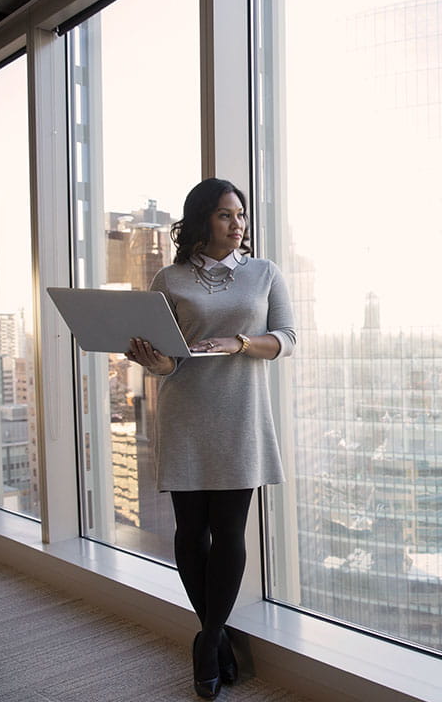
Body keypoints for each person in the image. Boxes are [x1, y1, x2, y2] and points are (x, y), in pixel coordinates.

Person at [125, 177, 295, 699]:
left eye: (241, 215)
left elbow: (286, 339)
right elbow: (168, 358)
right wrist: (154, 362)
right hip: (184, 415)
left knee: (229, 533)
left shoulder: (264, 273)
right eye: (226, 215)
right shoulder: (169, 279)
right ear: (201, 221)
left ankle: (207, 641)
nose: (237, 224)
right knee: (189, 532)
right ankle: (214, 637)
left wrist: (240, 342)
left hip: (240, 416)